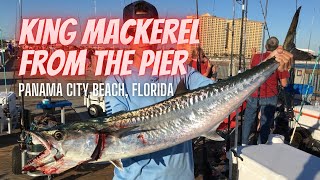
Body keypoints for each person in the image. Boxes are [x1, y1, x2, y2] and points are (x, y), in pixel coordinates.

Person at [105, 2, 292, 179]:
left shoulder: (180, 70)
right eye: (133, 30)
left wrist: (271, 62)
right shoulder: (116, 80)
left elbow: (217, 93)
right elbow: (117, 135)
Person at [242, 37, 291, 145]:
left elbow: (251, 70)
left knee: (248, 121)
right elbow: (284, 84)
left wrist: (253, 55)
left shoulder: (256, 57)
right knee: (266, 122)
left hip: (254, 94)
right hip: (270, 97)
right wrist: (286, 71)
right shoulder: (280, 60)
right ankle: (261, 145)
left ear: (266, 46)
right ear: (277, 47)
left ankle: (244, 144)